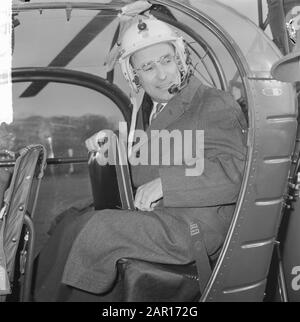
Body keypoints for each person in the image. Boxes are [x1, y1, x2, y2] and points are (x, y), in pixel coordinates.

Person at [33, 14, 247, 302]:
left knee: (98, 230)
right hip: (165, 216)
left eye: (166, 60)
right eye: (148, 67)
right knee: (71, 218)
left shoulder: (213, 103)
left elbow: (235, 172)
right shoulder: (156, 110)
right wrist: (111, 147)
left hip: (194, 227)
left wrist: (166, 185)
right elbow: (153, 163)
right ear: (135, 76)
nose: (162, 75)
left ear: (181, 59)